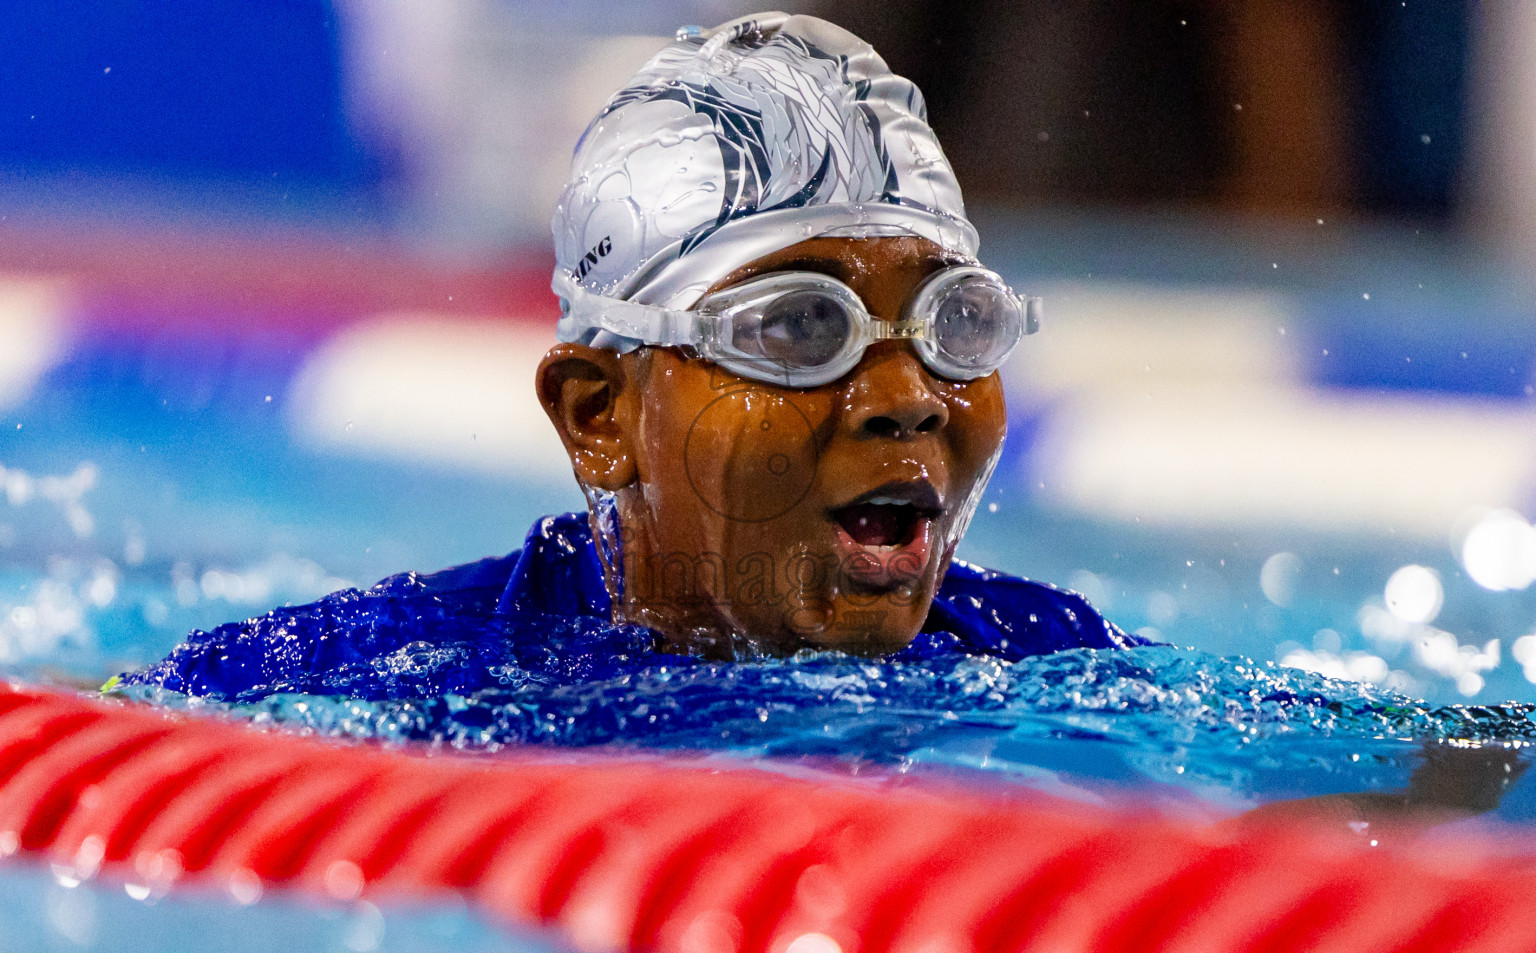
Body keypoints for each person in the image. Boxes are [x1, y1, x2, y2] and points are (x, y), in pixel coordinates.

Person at [125, 13, 1146, 703]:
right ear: (599, 415)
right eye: (799, 327)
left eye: (952, 324)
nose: (907, 398)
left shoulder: (1044, 663)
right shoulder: (380, 675)